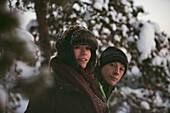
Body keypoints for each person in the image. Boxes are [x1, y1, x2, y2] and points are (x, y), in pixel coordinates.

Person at [24, 25, 108, 113]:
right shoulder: (49, 85)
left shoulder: (91, 82)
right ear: (66, 51)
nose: (84, 53)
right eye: (77, 47)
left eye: (88, 48)